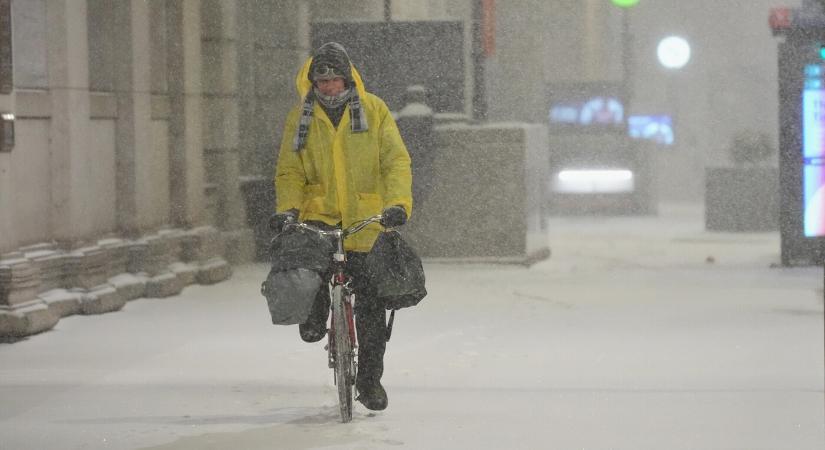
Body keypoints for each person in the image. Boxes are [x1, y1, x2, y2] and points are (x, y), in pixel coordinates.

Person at [270, 42, 413, 411]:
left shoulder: (373, 110)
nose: (330, 88)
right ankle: (315, 314)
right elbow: (289, 170)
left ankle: (369, 381)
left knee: (370, 306)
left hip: (365, 220)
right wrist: (288, 210)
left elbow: (395, 162)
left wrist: (397, 204)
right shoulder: (300, 116)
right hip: (318, 214)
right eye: (323, 81)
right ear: (312, 82)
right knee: (307, 270)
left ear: (347, 79)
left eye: (335, 80)